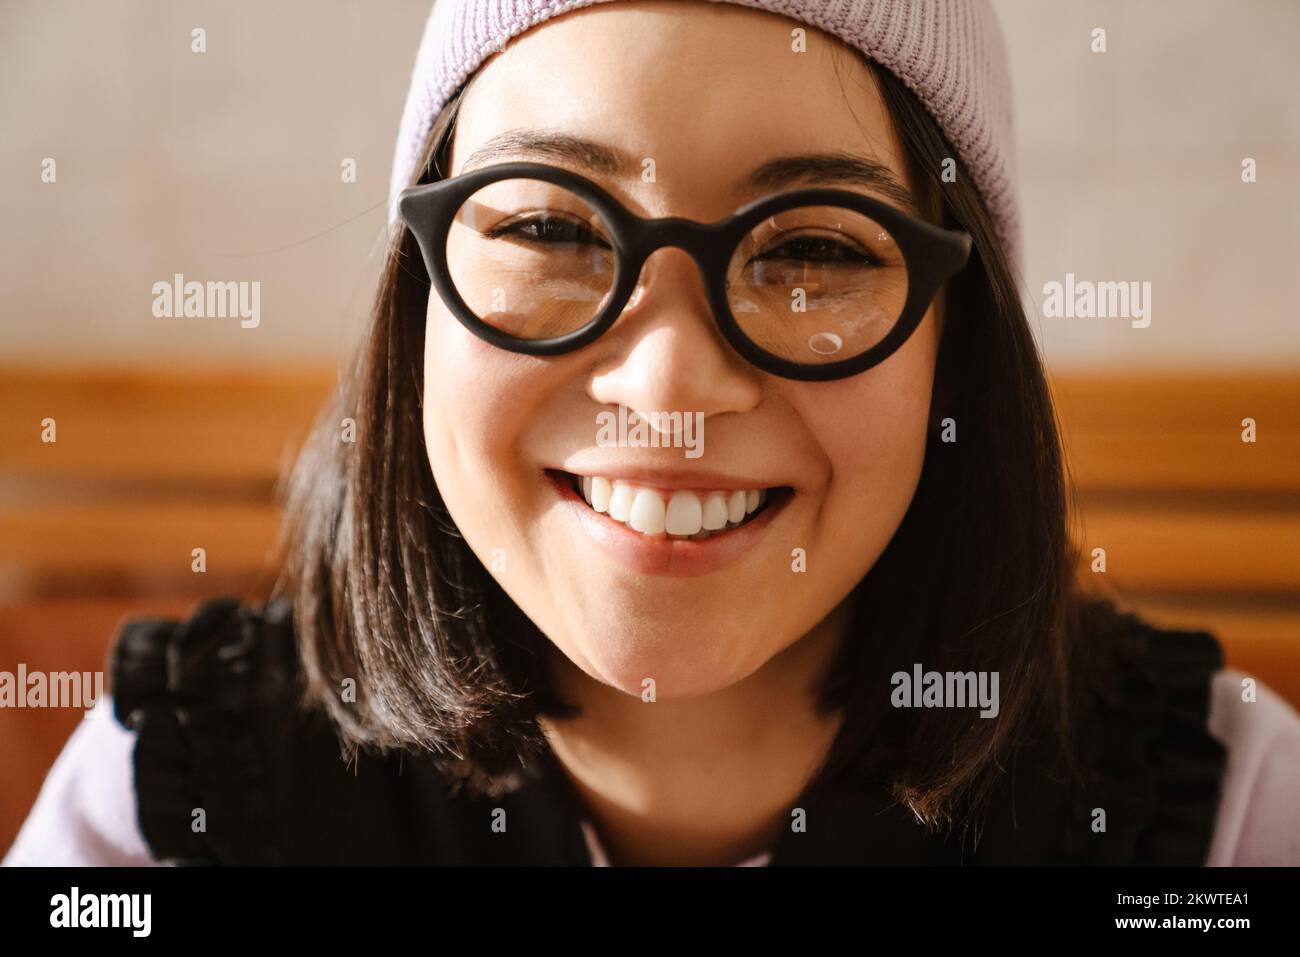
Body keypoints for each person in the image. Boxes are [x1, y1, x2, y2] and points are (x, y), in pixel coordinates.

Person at [7, 0, 1299, 867]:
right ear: (417, 305)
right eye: (552, 228)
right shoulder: (168, 802)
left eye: (811, 250)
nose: (673, 380)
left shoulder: (1222, 809)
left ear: (960, 344)